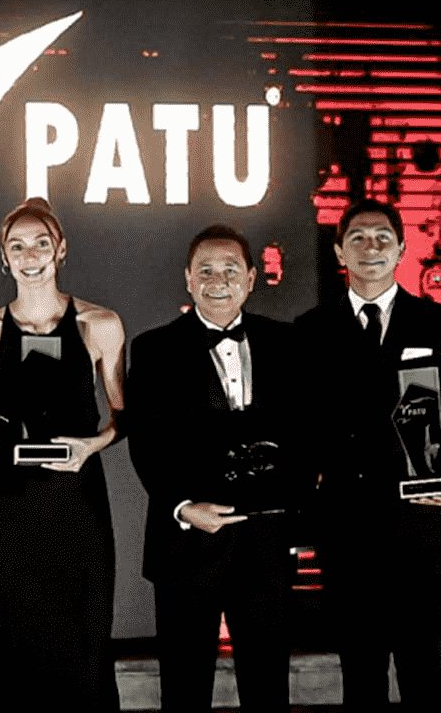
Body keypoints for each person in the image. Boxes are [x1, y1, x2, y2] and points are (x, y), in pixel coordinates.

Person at [295, 198, 441, 711]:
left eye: (383, 237)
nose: (371, 247)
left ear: (402, 249)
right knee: (360, 668)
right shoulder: (309, 331)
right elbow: (295, 424)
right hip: (345, 523)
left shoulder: (440, 324)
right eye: (357, 237)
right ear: (339, 250)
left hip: (419, 524)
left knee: (423, 664)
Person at [127, 225, 309, 712]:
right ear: (188, 279)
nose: (218, 280)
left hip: (265, 545)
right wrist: (184, 508)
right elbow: (145, 444)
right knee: (184, 691)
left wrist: (290, 512)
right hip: (185, 543)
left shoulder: (289, 344)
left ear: (251, 278)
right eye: (205, 270)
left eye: (231, 269)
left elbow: (306, 437)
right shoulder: (151, 349)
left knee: (268, 687)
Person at [0, 197, 124, 711]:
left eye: (41, 243)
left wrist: (92, 445)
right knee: (15, 650)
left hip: (80, 507)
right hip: (13, 510)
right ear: (4, 258)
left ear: (61, 250)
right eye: (18, 246)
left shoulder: (100, 324)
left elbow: (125, 417)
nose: (30, 255)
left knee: (84, 646)